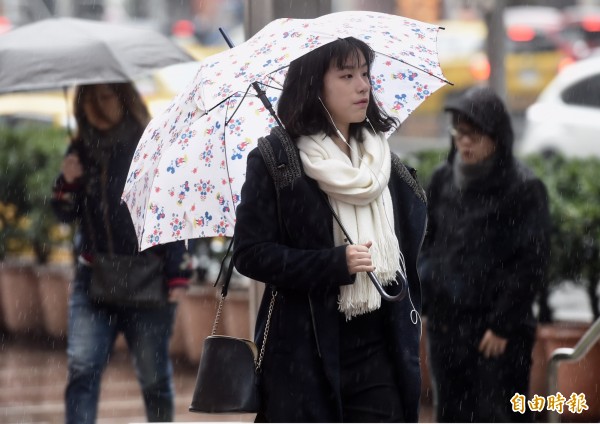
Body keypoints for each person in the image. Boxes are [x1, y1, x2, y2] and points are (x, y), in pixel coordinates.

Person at [232, 37, 427, 422]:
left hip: (379, 347)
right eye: (347, 75)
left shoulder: (383, 162)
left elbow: (412, 239)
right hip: (304, 351)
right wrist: (331, 264)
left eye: (366, 74)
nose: (363, 85)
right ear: (315, 85)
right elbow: (250, 254)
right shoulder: (278, 163)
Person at [51, 82, 191, 424]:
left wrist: (177, 271)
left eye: (105, 97)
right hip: (94, 277)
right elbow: (64, 214)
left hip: (148, 276)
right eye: (88, 100)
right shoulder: (81, 148)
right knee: (83, 369)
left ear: (124, 98)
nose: (95, 107)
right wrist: (67, 183)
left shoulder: (150, 144)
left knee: (154, 377)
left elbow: (172, 208)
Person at [418, 86, 551, 423]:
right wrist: (429, 299)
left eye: (474, 136)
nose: (464, 143)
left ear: (496, 138)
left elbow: (531, 263)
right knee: (451, 412)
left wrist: (503, 324)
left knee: (500, 413)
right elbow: (428, 243)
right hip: (447, 328)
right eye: (459, 134)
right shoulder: (443, 180)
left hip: (497, 333)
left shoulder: (523, 188)